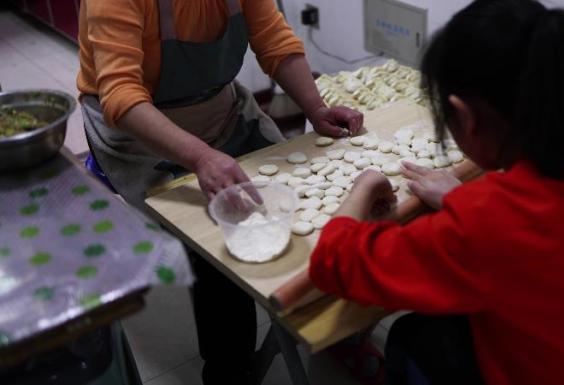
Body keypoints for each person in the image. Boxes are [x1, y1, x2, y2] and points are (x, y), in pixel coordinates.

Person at [307, 1, 564, 384]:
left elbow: (334, 262)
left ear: (466, 117)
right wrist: (462, 201)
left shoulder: (486, 222)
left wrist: (364, 185)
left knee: (412, 335)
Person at [76, 1, 362, 384]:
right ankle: (230, 368)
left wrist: (315, 108)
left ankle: (331, 326)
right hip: (137, 130)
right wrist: (201, 157)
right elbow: (121, 96)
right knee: (214, 245)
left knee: (296, 198)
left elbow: (273, 40)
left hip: (218, 109)